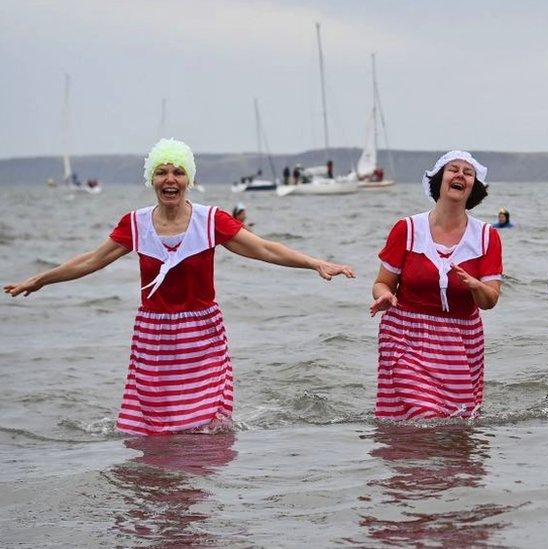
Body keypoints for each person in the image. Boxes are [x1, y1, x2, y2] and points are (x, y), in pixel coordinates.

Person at [4, 139, 355, 436]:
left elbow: (264, 248)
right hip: (153, 335)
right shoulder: (136, 224)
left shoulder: (211, 220)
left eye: (178, 171)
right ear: (151, 179)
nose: (170, 179)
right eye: (161, 172)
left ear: (189, 178)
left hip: (202, 334)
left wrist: (315, 263)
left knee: (206, 430)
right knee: (152, 433)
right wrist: (41, 279)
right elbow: (90, 260)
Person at [369, 150, 503, 420]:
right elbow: (382, 283)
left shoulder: (487, 237)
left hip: (461, 340)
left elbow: (490, 301)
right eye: (453, 169)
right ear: (439, 179)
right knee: (426, 415)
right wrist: (384, 296)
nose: (460, 175)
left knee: (456, 423)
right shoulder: (407, 229)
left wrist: (476, 285)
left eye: (468, 173)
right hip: (405, 334)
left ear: (473, 187)